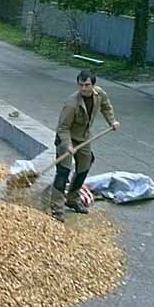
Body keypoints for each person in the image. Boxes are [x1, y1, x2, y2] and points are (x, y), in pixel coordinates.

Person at [50, 71, 119, 222]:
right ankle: (56, 207)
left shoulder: (99, 94)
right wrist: (68, 145)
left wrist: (112, 121)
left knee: (84, 167)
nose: (84, 88)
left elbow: (106, 107)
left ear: (93, 85)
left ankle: (72, 199)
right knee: (63, 171)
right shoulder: (71, 103)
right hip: (66, 138)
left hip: (83, 138)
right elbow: (62, 128)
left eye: (87, 85)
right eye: (81, 85)